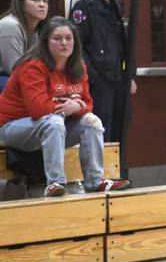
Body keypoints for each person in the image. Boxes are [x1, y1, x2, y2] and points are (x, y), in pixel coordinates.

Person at [0, 17, 131, 196]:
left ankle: (95, 181)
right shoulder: (32, 66)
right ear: (45, 42)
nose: (64, 43)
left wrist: (77, 106)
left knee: (91, 121)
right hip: (12, 128)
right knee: (53, 122)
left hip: (53, 125)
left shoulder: (78, 66)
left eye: (68, 38)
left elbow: (88, 104)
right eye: (57, 38)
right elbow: (37, 109)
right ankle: (55, 183)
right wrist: (70, 107)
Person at [70, 0, 137, 145]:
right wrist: (93, 76)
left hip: (119, 78)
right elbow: (77, 47)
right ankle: (102, 172)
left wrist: (130, 75)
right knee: (101, 126)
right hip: (98, 80)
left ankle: (119, 169)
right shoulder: (84, 7)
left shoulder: (118, 8)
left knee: (122, 124)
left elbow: (127, 46)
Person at [0, 0, 48, 92]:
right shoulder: (10, 25)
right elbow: (14, 69)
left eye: (45, 1)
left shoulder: (34, 28)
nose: (42, 4)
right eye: (35, 0)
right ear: (21, 3)